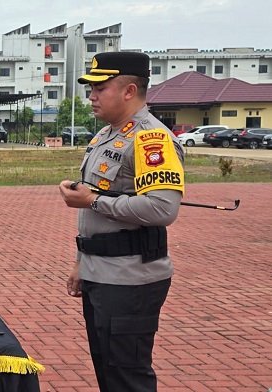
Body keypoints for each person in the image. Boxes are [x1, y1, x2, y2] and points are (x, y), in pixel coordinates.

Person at [59, 51, 185, 391]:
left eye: (100, 87)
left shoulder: (150, 139)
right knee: (109, 371)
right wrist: (81, 262)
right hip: (100, 272)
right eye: (91, 88)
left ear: (129, 91)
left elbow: (163, 209)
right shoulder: (106, 136)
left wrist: (93, 200)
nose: (92, 95)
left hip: (131, 279)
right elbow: (97, 208)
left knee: (127, 376)